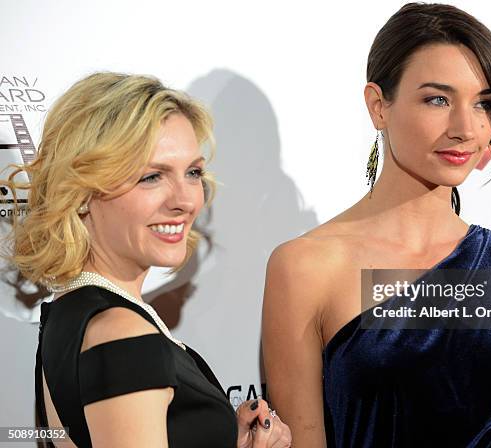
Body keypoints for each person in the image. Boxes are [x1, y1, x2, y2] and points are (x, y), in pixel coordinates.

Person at [262, 3, 491, 447]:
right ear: (378, 106)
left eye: (483, 104)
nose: (465, 128)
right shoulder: (305, 267)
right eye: (438, 99)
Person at [1, 72, 291, 448]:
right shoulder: (122, 334)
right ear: (83, 192)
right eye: (152, 176)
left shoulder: (76, 311)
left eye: (193, 172)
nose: (186, 200)